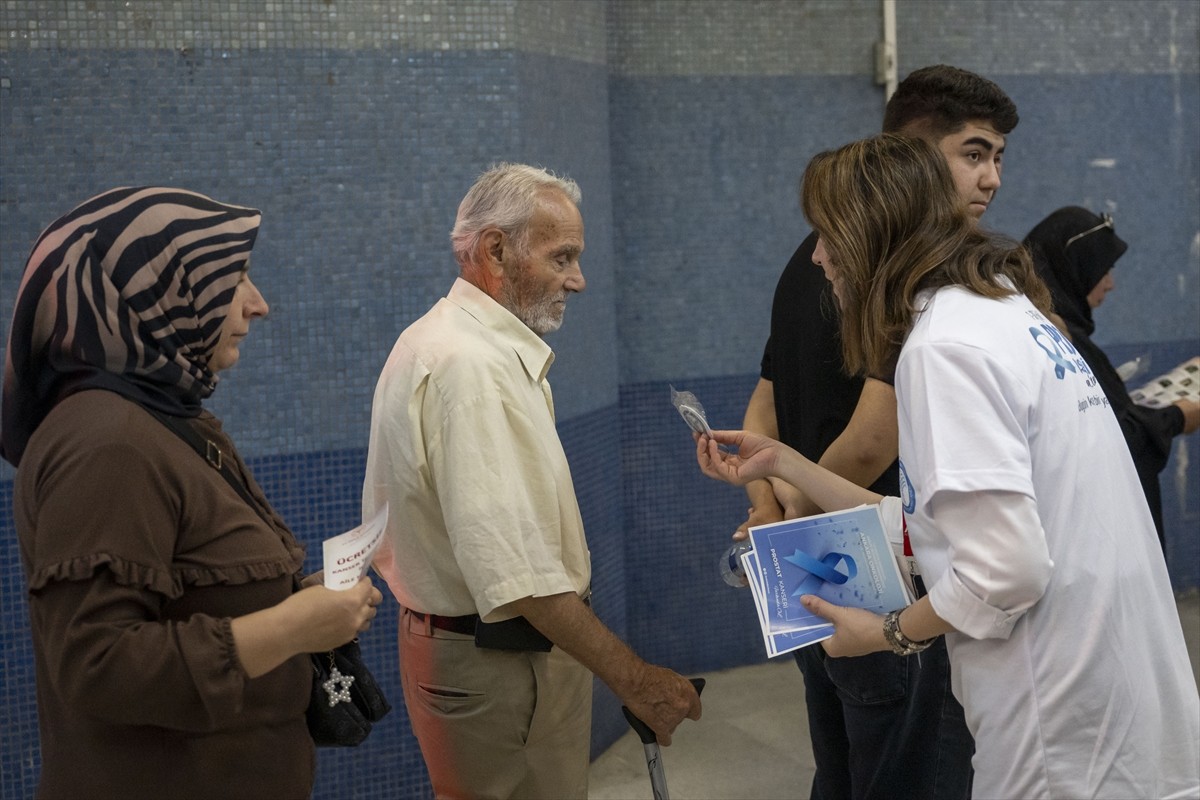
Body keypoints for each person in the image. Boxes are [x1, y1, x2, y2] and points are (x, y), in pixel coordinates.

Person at [699, 135, 1200, 799]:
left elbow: (1005, 572)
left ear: (869, 237)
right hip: (1112, 694)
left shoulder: (944, 349)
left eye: (825, 236)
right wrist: (788, 463)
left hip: (1058, 727)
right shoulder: (1003, 310)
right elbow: (944, 529)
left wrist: (886, 634)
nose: (817, 257)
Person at [0, 186, 383, 800]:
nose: (259, 306)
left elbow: (191, 593)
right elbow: (99, 663)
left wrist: (304, 604)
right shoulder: (109, 445)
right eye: (234, 280)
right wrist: (290, 627)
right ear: (156, 296)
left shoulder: (162, 421)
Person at [362, 163, 701, 798]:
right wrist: (634, 678)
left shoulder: (447, 341)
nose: (579, 280)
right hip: (499, 665)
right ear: (494, 250)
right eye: (562, 257)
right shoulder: (472, 369)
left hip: (483, 653)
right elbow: (518, 579)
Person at [740, 64, 1017, 799]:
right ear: (915, 157)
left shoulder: (811, 253)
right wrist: (792, 508)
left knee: (839, 752)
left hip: (814, 542)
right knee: (901, 755)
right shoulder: (912, 284)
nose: (990, 179)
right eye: (973, 153)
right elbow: (870, 441)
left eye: (996, 158)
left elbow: (761, 404)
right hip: (874, 557)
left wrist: (774, 513)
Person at [1024, 206, 1200, 548]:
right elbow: (1113, 443)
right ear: (1077, 269)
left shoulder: (1056, 332)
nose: (1111, 283)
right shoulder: (1058, 340)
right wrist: (1178, 416)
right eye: (1104, 269)